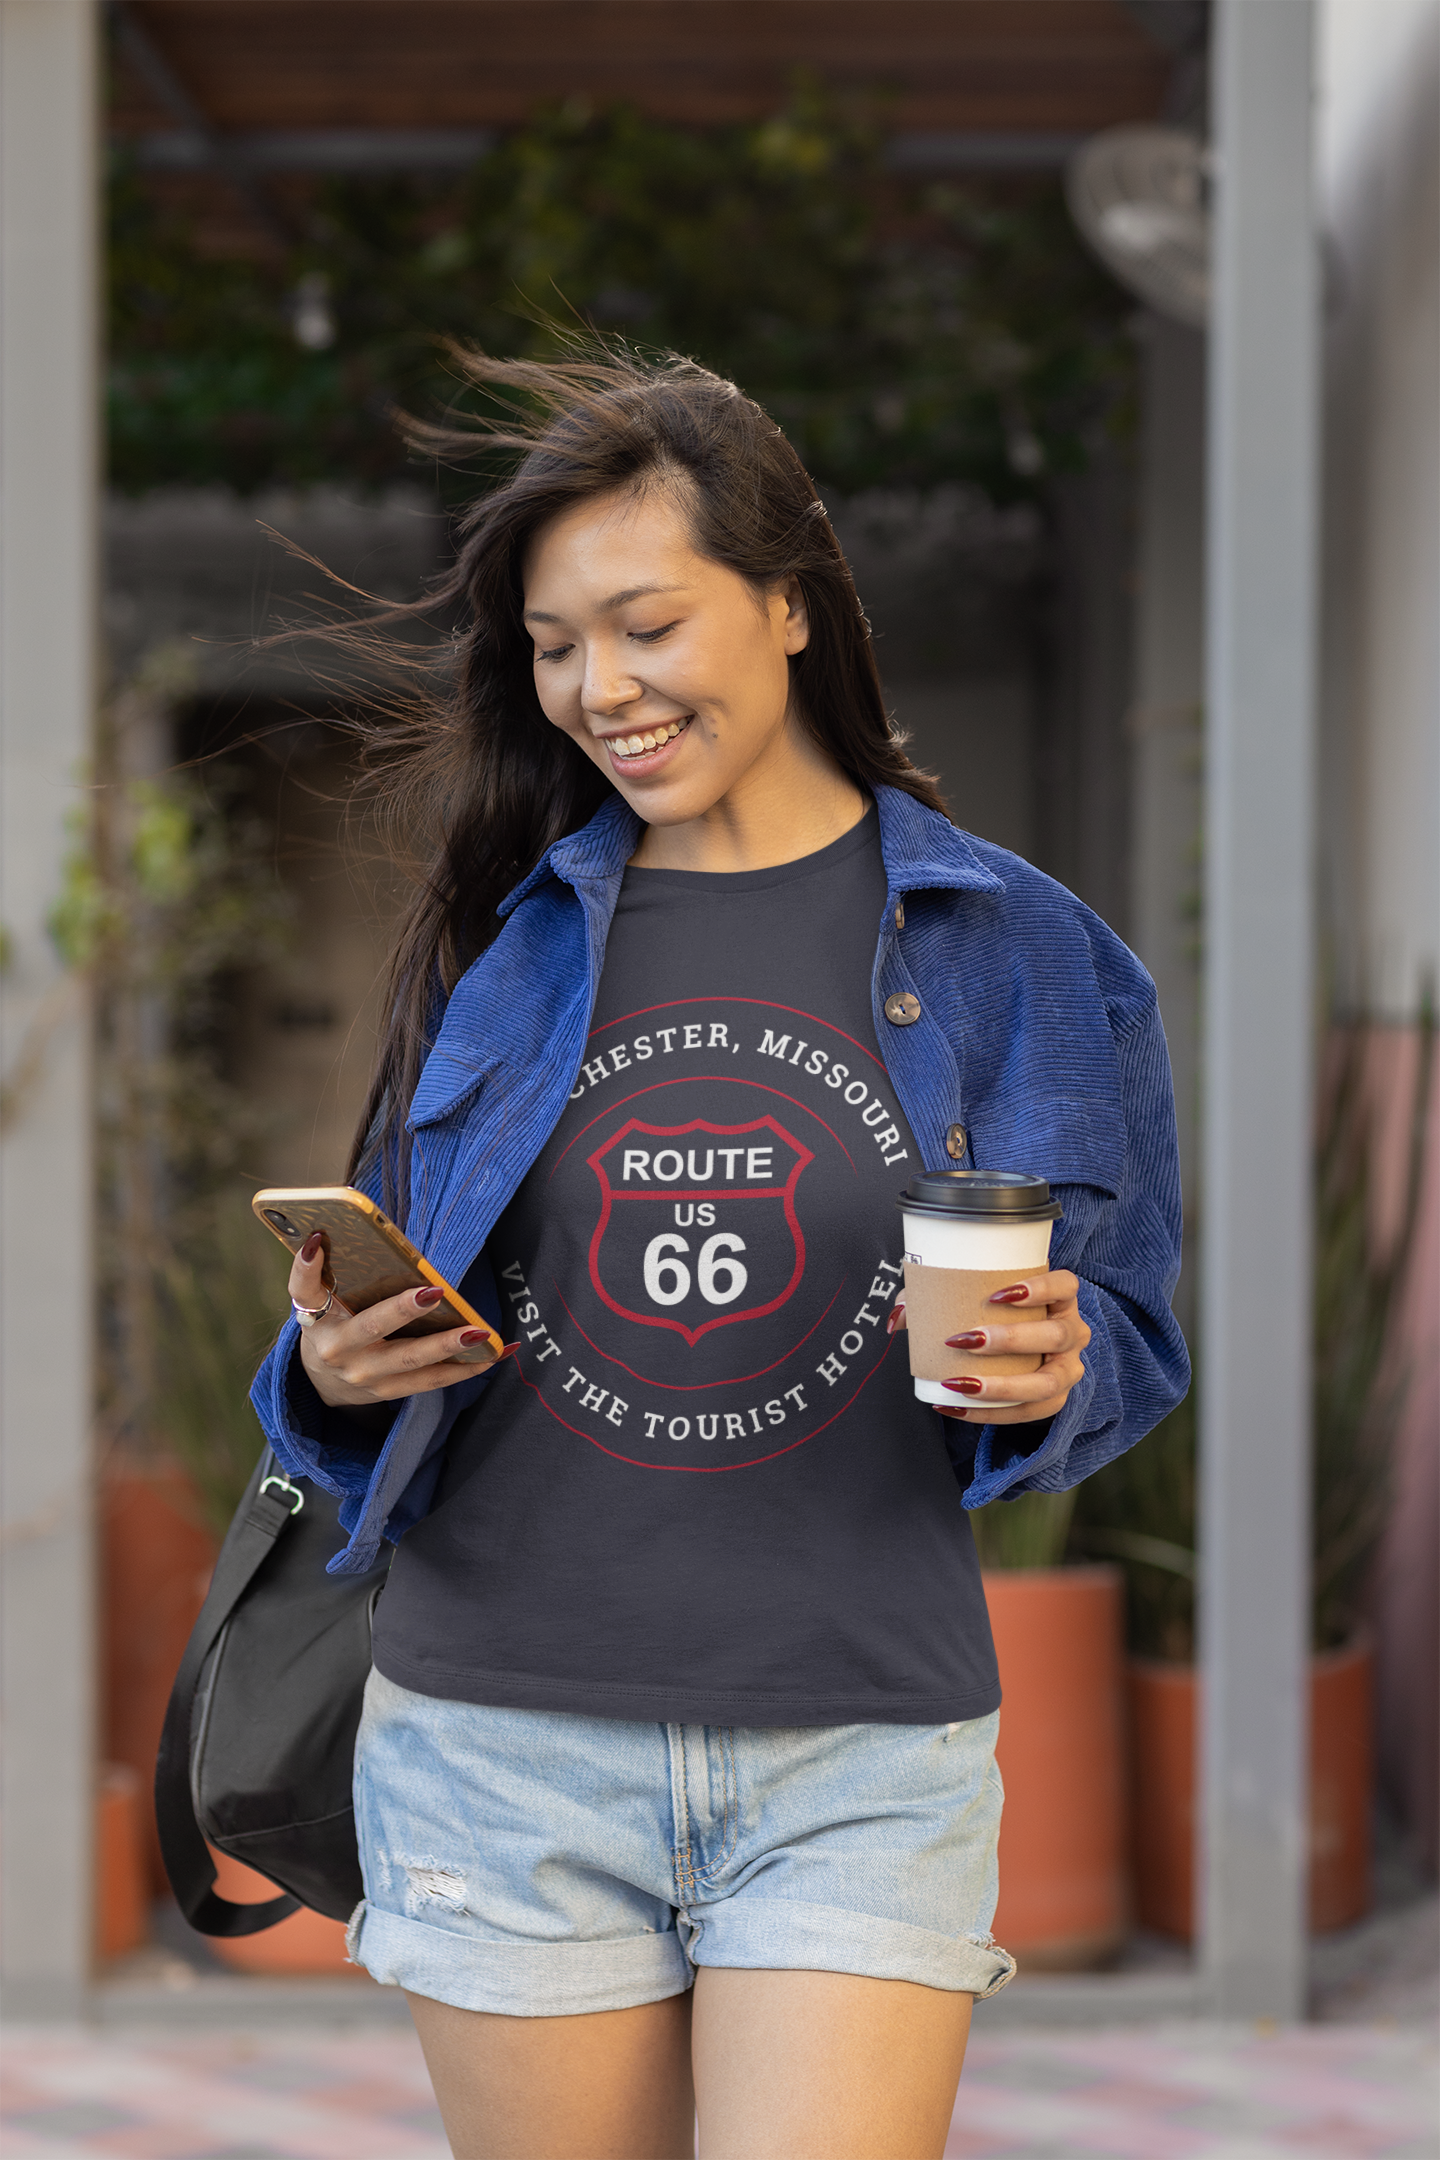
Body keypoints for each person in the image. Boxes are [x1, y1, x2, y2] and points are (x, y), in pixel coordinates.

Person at [251, 349, 1189, 2160]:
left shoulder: (1020, 953)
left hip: (855, 1749)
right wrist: (331, 1367)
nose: (599, 688)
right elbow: (370, 1326)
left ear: (787, 604)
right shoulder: (501, 942)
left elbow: (1129, 1330)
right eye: (551, 644)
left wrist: (1056, 1380)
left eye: (645, 623)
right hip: (502, 1742)